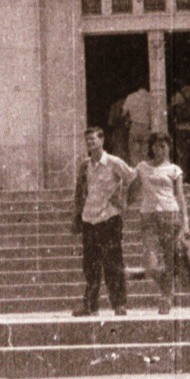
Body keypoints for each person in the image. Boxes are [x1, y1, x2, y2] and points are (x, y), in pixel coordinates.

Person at [71, 126, 134, 317]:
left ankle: (119, 304)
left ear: (102, 140)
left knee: (113, 263)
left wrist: (123, 200)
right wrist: (76, 216)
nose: (90, 143)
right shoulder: (84, 165)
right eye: (87, 140)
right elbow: (79, 191)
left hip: (109, 218)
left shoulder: (114, 162)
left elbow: (133, 178)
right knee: (90, 265)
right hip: (89, 218)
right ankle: (91, 305)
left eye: (93, 139)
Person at [130, 131, 189, 314]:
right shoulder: (142, 167)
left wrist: (185, 220)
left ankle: (167, 297)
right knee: (150, 263)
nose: (160, 149)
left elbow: (179, 196)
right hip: (148, 216)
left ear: (169, 148)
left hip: (170, 215)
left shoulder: (174, 170)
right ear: (151, 147)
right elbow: (132, 190)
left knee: (170, 260)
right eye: (156, 145)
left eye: (163, 146)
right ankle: (165, 287)